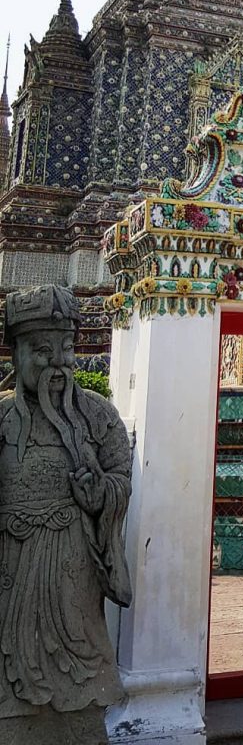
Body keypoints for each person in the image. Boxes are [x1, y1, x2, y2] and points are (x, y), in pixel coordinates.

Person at [0, 285, 132, 745]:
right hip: (13, 568)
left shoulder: (98, 417)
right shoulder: (3, 422)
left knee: (80, 681)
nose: (60, 363)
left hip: (73, 571)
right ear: (15, 354)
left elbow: (120, 474)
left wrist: (101, 494)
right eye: (42, 351)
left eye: (68, 348)